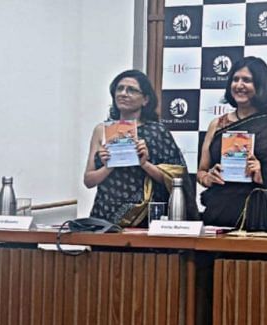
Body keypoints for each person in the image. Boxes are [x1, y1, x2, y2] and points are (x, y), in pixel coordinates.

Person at [197, 56, 267, 228]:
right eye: (235, 79)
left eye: (247, 80)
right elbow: (201, 171)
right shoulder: (217, 124)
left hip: (257, 216)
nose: (239, 85)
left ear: (260, 86)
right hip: (218, 215)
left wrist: (263, 174)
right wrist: (208, 178)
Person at [84, 70, 197, 227]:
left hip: (144, 216)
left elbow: (176, 179)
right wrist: (109, 166)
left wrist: (144, 163)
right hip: (104, 215)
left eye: (131, 90)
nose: (123, 93)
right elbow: (88, 181)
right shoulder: (101, 130)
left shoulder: (157, 132)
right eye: (119, 88)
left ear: (145, 100)